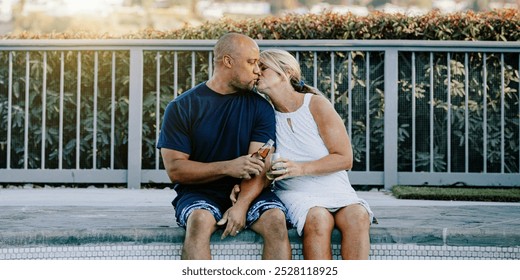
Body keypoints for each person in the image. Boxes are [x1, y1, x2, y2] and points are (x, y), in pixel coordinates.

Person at [157, 34, 291, 260]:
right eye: (251, 62)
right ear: (228, 62)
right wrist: (227, 167)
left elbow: (261, 165)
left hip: (249, 191)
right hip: (199, 193)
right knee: (198, 222)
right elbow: (176, 170)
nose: (257, 70)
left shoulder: (261, 107)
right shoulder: (181, 107)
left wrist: (241, 206)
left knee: (276, 221)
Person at [233, 49, 374, 260]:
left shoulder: (316, 104)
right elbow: (261, 162)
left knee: (358, 215)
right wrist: (241, 185)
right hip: (295, 192)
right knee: (317, 218)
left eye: (263, 67)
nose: (256, 72)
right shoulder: (264, 115)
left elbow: (345, 158)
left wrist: (301, 168)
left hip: (335, 187)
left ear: (286, 72)